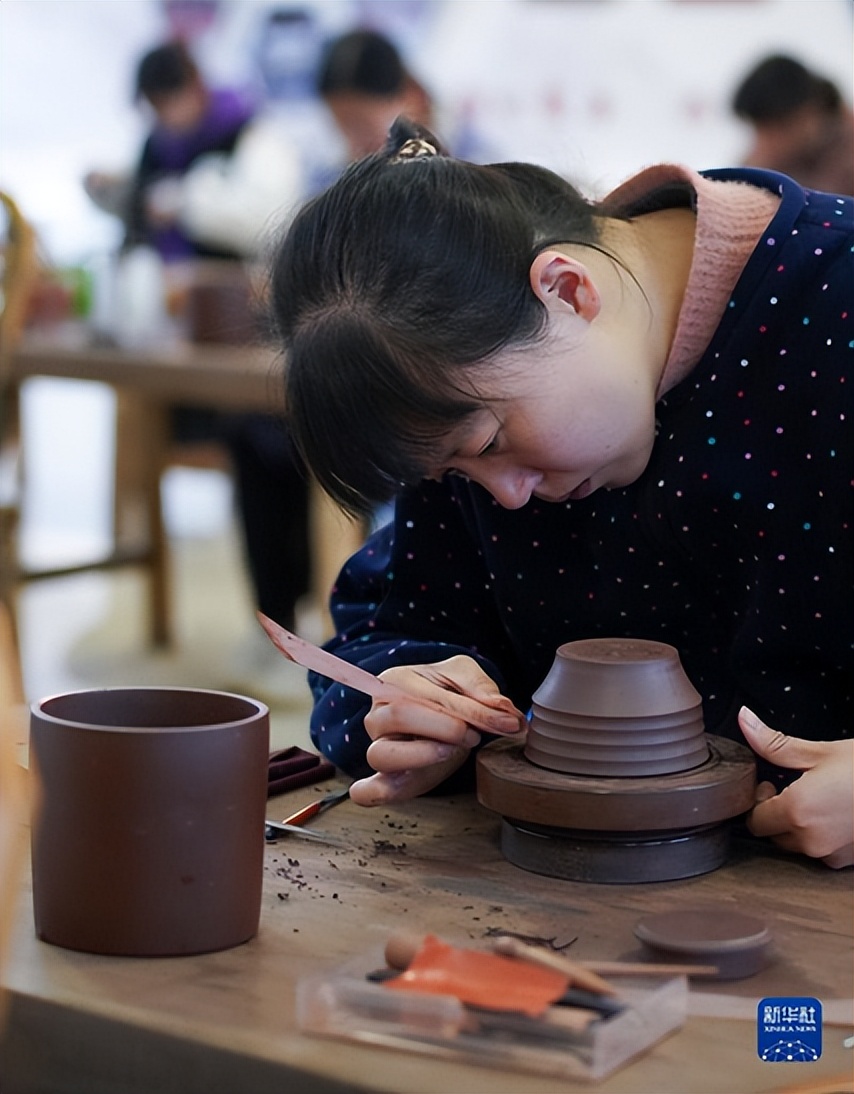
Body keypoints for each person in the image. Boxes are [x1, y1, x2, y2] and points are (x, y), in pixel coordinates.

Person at [265, 117, 853, 869]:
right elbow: (387, 627)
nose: (505, 497)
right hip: (564, 881)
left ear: (568, 290)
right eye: (454, 474)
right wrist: (406, 705)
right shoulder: (448, 384)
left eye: (489, 444)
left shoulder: (833, 302)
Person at [85, 42, 313, 681]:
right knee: (238, 434)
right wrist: (118, 194)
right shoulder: (156, 147)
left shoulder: (251, 136)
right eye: (155, 108)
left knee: (269, 438)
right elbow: (139, 227)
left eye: (171, 101)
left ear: (196, 86)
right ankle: (269, 623)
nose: (166, 118)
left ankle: (291, 624)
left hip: (251, 341)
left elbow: (273, 222)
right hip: (179, 351)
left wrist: (183, 201)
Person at [731, 53, 854, 197]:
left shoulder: (847, 158)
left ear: (809, 111)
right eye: (760, 131)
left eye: (778, 128)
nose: (768, 143)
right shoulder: (767, 161)